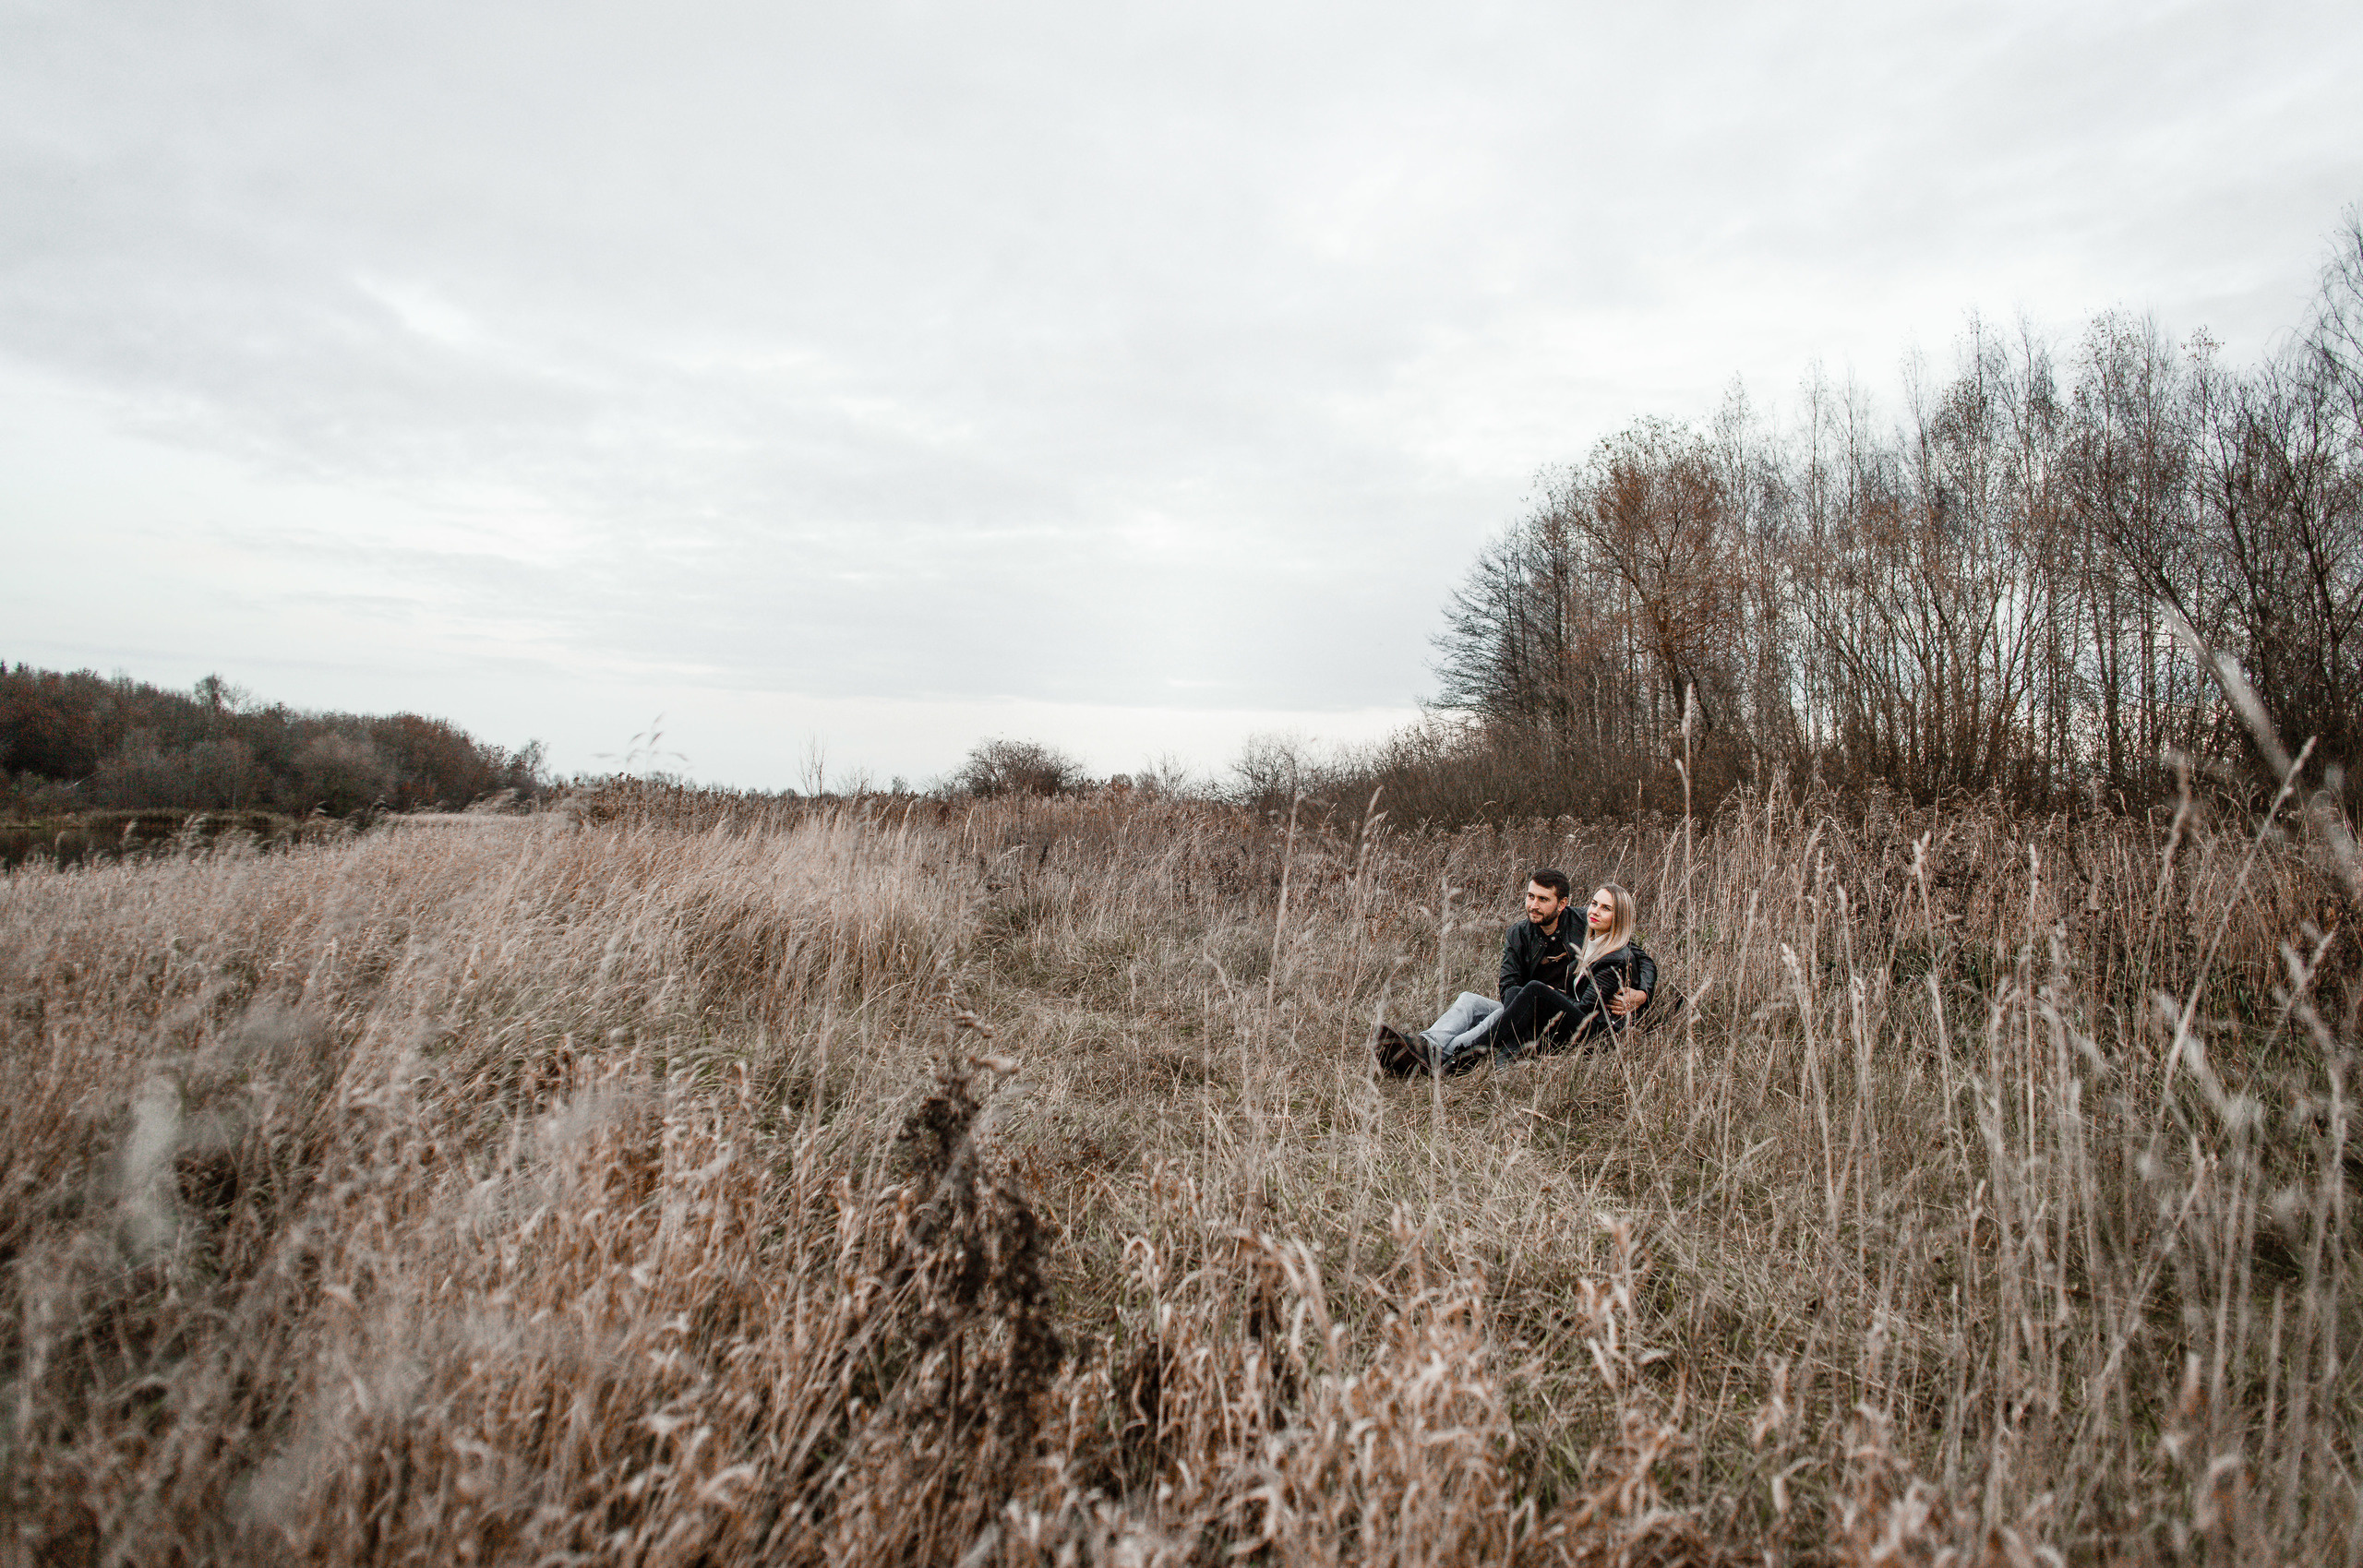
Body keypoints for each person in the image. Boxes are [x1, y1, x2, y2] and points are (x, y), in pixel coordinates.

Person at [1373, 873, 1654, 1076]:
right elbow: (1508, 982)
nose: (1534, 905)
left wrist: (1643, 993)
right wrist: (1518, 1006)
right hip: (1537, 1007)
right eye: (1531, 897)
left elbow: (1639, 960)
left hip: (1572, 1024)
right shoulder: (1520, 934)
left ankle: (1448, 1057)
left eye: (1543, 899)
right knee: (1471, 999)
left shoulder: (1590, 928)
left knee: (1522, 997)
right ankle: (1428, 1043)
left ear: (1562, 903)